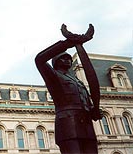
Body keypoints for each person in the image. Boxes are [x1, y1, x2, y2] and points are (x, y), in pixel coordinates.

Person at [35, 24, 102, 154]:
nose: (67, 59)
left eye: (69, 58)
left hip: (87, 126)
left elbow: (88, 95)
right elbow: (39, 59)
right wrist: (68, 43)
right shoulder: (53, 76)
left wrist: (94, 109)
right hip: (68, 126)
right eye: (63, 57)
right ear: (56, 61)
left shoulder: (78, 81)